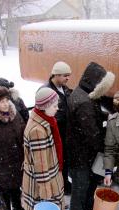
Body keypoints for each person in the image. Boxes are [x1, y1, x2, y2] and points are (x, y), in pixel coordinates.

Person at [66, 61, 115, 210]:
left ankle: (87, 207)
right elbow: (92, 134)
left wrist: (103, 116)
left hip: (78, 149)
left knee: (88, 182)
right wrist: (106, 146)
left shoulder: (81, 93)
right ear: (95, 83)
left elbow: (91, 114)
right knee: (81, 185)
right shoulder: (85, 102)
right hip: (81, 153)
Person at [21, 87, 66, 210]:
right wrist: (45, 189)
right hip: (43, 178)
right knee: (46, 206)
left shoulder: (45, 120)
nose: (57, 108)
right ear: (44, 107)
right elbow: (41, 165)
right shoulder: (38, 130)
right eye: (54, 105)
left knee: (51, 206)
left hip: (50, 173)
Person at [41, 61, 73, 195]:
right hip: (55, 133)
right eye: (65, 75)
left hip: (64, 133)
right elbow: (44, 115)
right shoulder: (46, 91)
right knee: (55, 162)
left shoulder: (64, 89)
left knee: (64, 160)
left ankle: (64, 183)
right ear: (56, 75)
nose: (68, 78)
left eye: (68, 75)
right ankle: (58, 186)